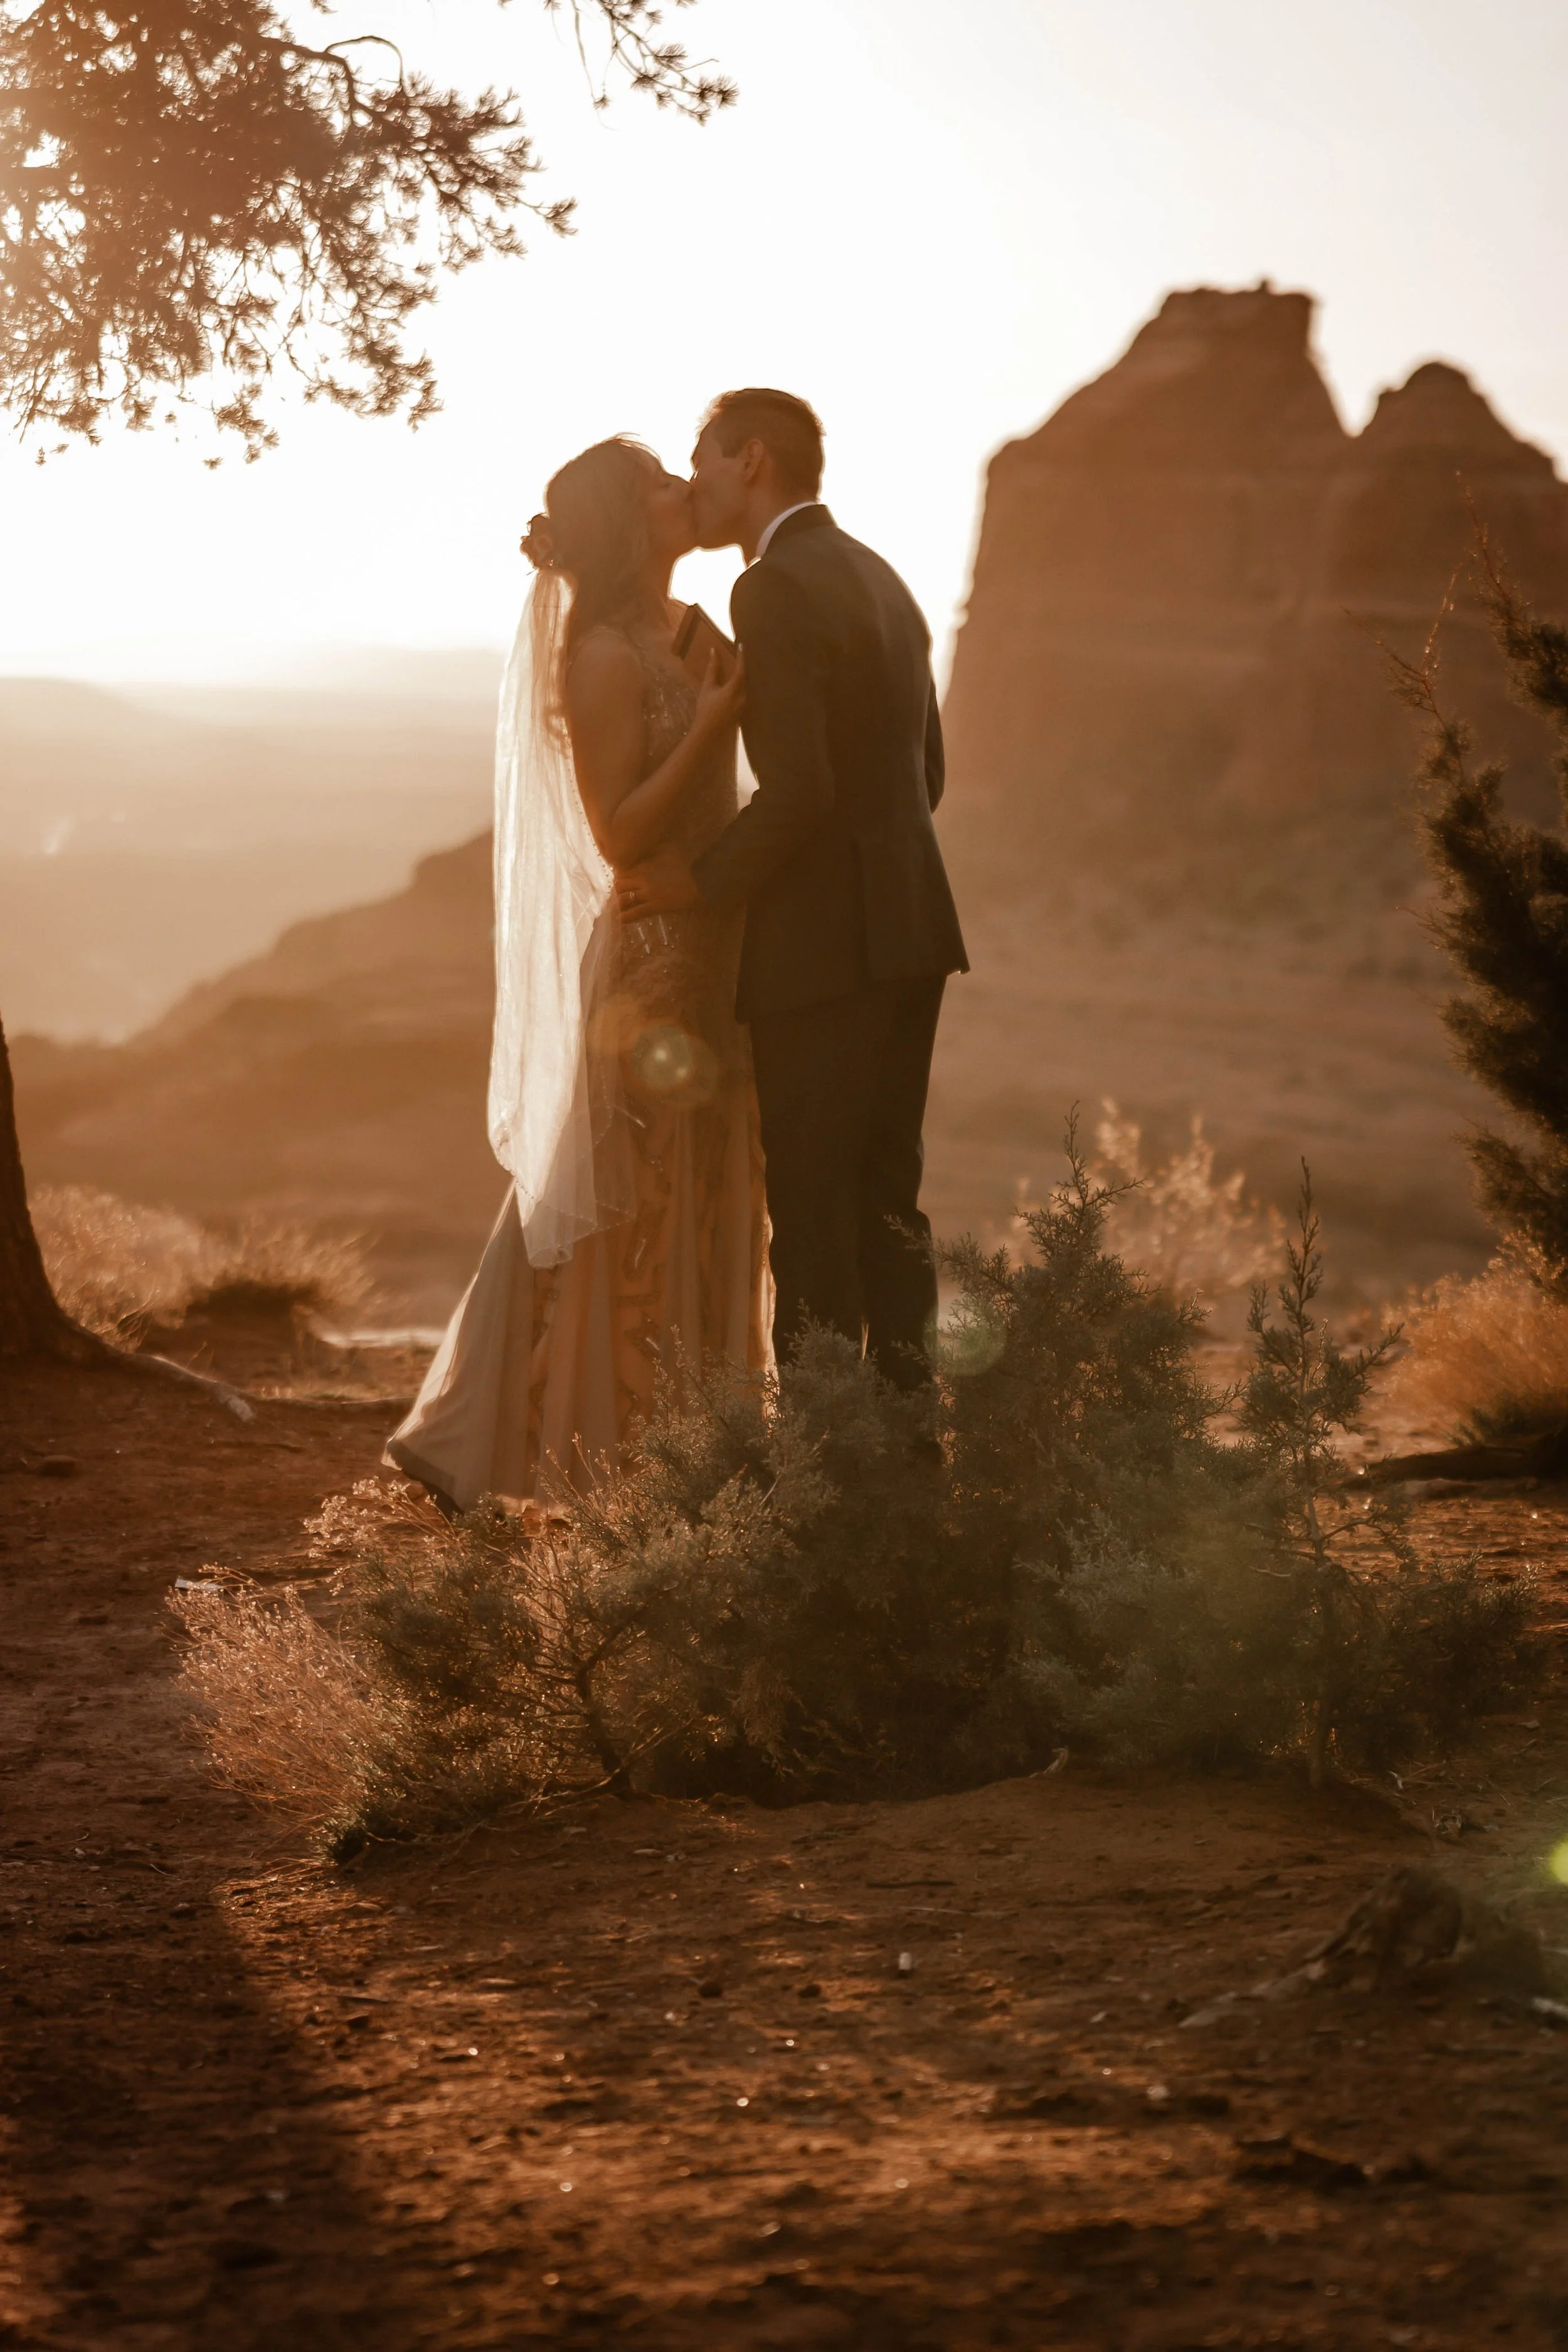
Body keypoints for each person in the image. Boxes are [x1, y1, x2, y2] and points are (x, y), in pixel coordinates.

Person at [385, 437, 770, 1512]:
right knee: (627, 1201)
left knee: (698, 1195)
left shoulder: (690, 632)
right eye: (658, 482)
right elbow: (619, 831)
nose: (682, 490)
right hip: (651, 959)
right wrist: (714, 726)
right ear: (623, 519)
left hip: (720, 952)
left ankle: (690, 1443)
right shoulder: (601, 655)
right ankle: (588, 1451)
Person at [617, 391, 967, 1387]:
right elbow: (924, 776)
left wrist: (697, 882)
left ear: (753, 461)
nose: (693, 482)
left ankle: (826, 1471)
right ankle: (907, 1441)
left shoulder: (769, 587)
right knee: (889, 1198)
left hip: (824, 949)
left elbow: (802, 788)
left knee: (811, 1210)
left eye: (703, 461)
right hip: (914, 927)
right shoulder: (883, 575)